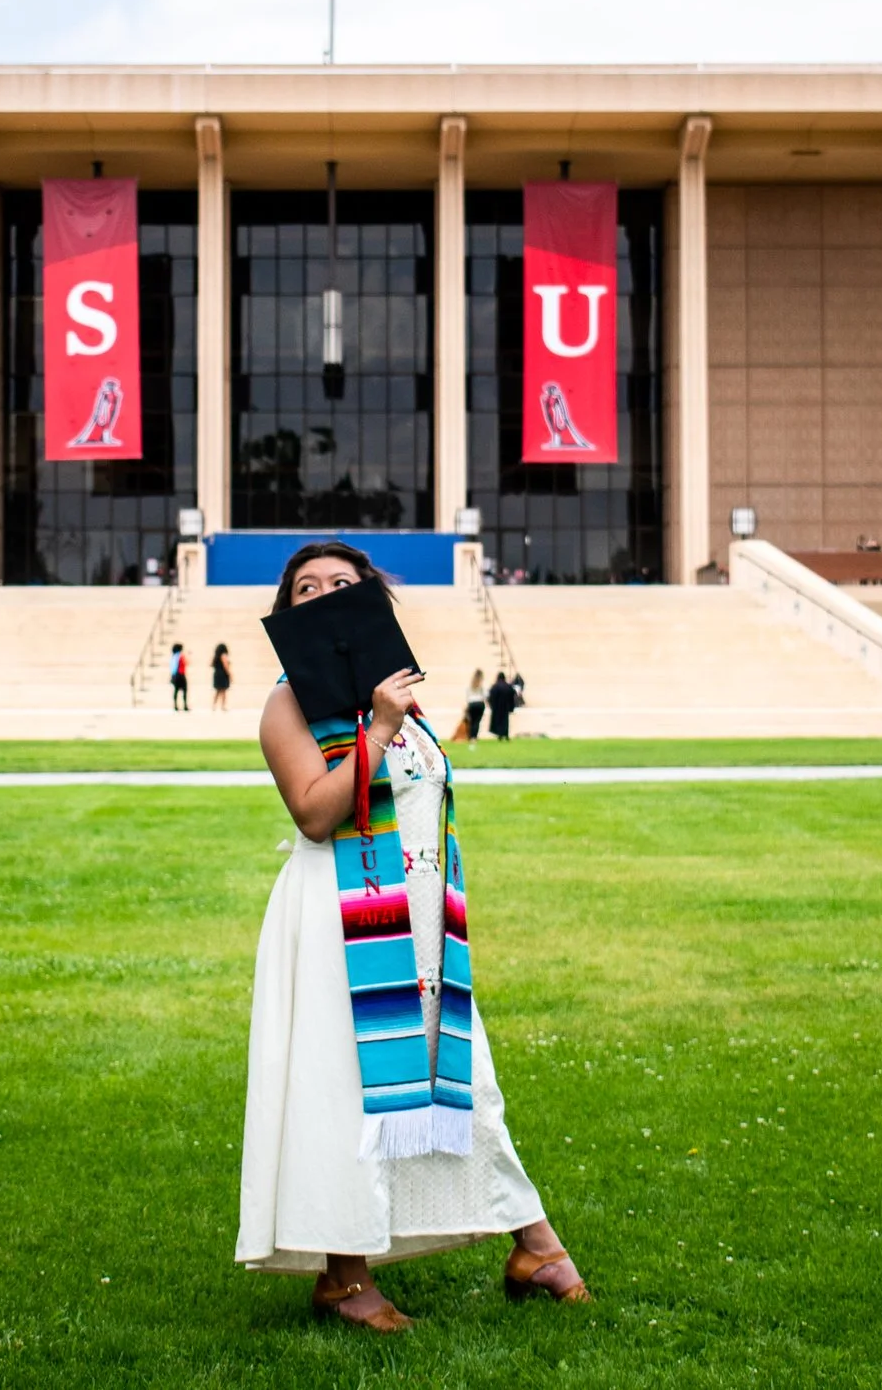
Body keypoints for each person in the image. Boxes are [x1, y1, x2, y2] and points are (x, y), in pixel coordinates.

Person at [238, 541, 586, 1332]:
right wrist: (380, 727)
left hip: (422, 922)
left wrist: (392, 714)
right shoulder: (289, 704)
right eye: (306, 586)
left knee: (469, 1081)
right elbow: (317, 814)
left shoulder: (400, 697)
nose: (324, 592)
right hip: (339, 920)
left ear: (371, 600)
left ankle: (532, 1241)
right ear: (289, 611)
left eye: (343, 583)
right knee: (344, 1091)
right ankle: (345, 1275)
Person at [485, 671, 519, 741]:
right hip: (506, 707)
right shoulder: (508, 686)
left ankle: (500, 734)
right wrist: (511, 706)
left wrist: (492, 705)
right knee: (505, 721)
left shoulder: (495, 686)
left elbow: (491, 696)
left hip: (497, 707)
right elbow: (513, 694)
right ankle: (506, 734)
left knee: (498, 721)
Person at [457, 668, 487, 744]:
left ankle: (471, 736)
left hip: (472, 703)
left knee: (472, 721)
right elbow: (485, 695)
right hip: (480, 703)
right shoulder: (481, 684)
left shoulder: (471, 684)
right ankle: (474, 737)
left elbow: (468, 696)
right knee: (477, 721)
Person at [210, 643, 233, 712]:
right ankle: (223, 706)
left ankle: (214, 706)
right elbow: (226, 666)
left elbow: (210, 664)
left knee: (217, 691)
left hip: (216, 674)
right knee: (223, 691)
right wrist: (230, 675)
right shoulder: (224, 656)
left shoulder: (215, 656)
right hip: (222, 674)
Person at [169, 643, 189, 711]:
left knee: (176, 690)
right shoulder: (180, 656)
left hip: (175, 675)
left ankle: (175, 705)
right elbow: (186, 662)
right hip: (181, 674)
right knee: (184, 690)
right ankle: (185, 705)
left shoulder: (173, 656)